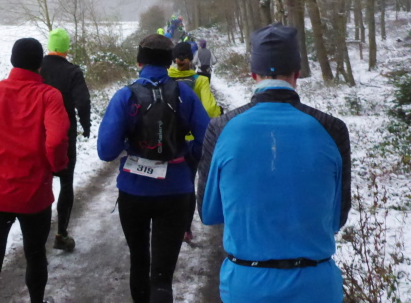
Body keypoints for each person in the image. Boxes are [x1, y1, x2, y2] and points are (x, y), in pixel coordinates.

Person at [197, 24, 351, 303]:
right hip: (316, 286)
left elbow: (209, 213)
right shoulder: (332, 128)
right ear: (297, 73)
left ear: (253, 74)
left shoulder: (220, 128)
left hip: (246, 285)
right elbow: (337, 217)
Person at [98, 34, 210, 303]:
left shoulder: (125, 96)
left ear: (139, 62)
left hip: (133, 191)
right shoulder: (185, 94)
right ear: (169, 62)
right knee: (162, 276)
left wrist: (129, 144)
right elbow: (208, 140)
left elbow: (106, 151)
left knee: (139, 261)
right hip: (175, 191)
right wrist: (187, 152)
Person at [0, 38, 69, 303]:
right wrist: (56, 165)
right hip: (34, 195)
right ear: (40, 64)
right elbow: (55, 142)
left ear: (12, 60)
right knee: (35, 256)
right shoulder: (49, 95)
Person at [39, 28, 91, 252]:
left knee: (41, 181)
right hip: (64, 134)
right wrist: (86, 124)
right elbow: (83, 101)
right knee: (66, 182)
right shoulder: (73, 71)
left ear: (49, 46)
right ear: (66, 48)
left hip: (38, 133)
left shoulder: (37, 68)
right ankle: (61, 233)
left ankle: (37, 234)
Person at [167, 41, 221, 243]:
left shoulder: (166, 79)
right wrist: (219, 111)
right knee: (188, 184)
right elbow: (210, 110)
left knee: (168, 181)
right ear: (191, 59)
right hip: (192, 143)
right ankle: (186, 229)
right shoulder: (200, 81)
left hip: (170, 139)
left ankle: (167, 221)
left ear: (174, 60)